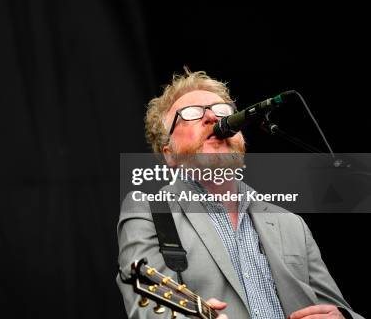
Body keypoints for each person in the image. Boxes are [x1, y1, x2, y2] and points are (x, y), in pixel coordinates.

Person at [116, 69, 362, 319]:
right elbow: (147, 310)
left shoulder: (291, 222)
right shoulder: (150, 211)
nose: (212, 117)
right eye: (190, 114)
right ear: (169, 153)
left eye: (222, 111)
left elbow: (338, 309)